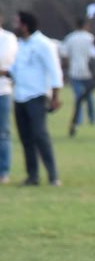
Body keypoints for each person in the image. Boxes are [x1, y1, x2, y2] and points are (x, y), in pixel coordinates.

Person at [3, 12, 62, 186]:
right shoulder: (21, 45)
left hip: (36, 96)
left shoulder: (43, 44)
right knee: (26, 139)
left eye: (17, 23)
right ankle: (32, 176)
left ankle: (53, 175)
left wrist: (55, 97)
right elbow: (13, 70)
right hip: (20, 97)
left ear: (25, 26)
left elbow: (55, 71)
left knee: (40, 135)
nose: (14, 25)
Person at [62, 16, 95, 135]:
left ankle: (78, 119)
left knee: (78, 97)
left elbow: (64, 54)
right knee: (89, 96)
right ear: (85, 26)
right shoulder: (90, 38)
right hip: (88, 72)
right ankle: (92, 118)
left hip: (75, 71)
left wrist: (68, 65)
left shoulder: (70, 38)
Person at [0, 13, 16, 184]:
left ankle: (3, 171)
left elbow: (6, 63)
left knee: (2, 133)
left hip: (2, 91)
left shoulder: (7, 38)